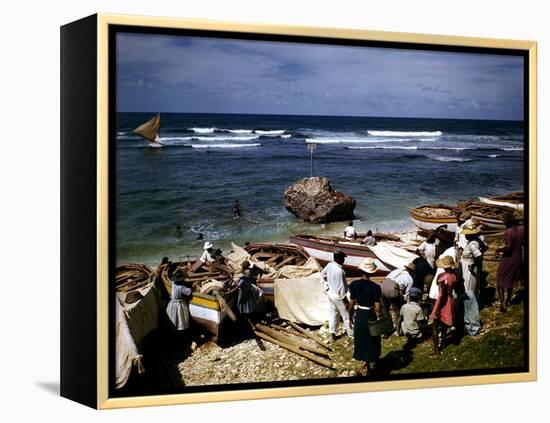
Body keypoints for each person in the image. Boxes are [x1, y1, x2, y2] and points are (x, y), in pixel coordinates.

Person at [348, 258, 382, 376]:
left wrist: (350, 317)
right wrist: (379, 314)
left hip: (359, 315)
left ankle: (366, 365)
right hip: (369, 314)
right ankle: (366, 365)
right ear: (372, 272)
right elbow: (377, 307)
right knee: (372, 340)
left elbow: (351, 304)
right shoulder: (375, 287)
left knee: (361, 340)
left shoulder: (353, 284)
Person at [321, 250, 353, 341]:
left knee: (333, 314)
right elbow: (341, 288)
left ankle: (333, 333)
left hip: (330, 293)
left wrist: (329, 283)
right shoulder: (340, 271)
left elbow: (322, 275)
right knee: (346, 315)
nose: (344, 260)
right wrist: (346, 301)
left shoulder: (329, 265)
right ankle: (351, 334)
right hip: (338, 296)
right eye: (343, 258)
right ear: (338, 258)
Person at [459, 222, 484, 335]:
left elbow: (479, 255)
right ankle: (470, 320)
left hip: (468, 269)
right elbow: (485, 248)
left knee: (468, 294)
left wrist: (473, 264)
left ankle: (472, 324)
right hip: (469, 267)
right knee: (471, 293)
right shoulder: (477, 241)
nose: (464, 235)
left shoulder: (472, 244)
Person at [430, 256, 459, 354]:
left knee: (435, 326)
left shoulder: (443, 278)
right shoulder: (454, 276)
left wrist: (435, 309)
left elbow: (441, 295)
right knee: (443, 326)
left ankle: (436, 350)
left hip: (442, 302)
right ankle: (443, 344)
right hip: (450, 300)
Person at [496, 213, 524, 312]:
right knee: (512, 278)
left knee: (500, 279)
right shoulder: (522, 229)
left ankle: (502, 302)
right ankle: (508, 300)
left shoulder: (508, 232)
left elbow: (508, 248)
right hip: (519, 258)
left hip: (509, 258)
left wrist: (499, 250)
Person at [380, 263, 415, 333]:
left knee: (384, 310)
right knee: (398, 311)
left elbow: (387, 278)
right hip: (392, 290)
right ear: (411, 272)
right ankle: (399, 330)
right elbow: (407, 294)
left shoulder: (396, 271)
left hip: (382, 286)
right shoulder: (410, 279)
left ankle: (386, 329)